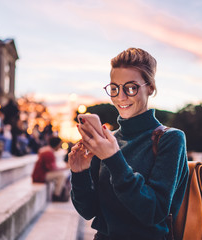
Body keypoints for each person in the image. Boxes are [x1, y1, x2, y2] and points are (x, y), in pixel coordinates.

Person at [68, 48, 189, 240]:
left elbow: (154, 211)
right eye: (114, 88)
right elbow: (88, 211)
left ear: (150, 87)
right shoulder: (107, 141)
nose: (121, 97)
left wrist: (113, 159)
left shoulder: (171, 139)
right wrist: (79, 174)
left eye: (131, 87)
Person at [31, 136, 70, 201]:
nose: (60, 146)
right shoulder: (48, 152)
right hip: (39, 176)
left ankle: (58, 193)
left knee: (62, 174)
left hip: (41, 174)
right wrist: (65, 168)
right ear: (57, 144)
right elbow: (52, 168)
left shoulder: (48, 150)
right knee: (62, 175)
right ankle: (56, 195)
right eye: (60, 144)